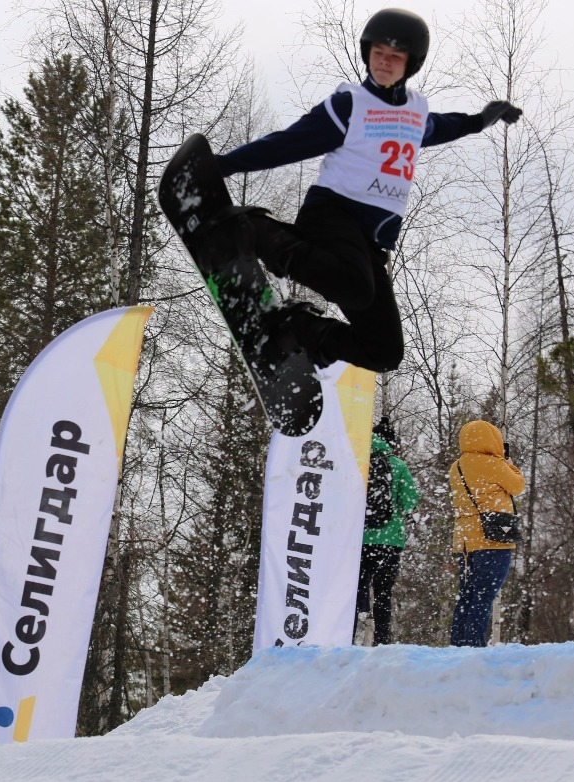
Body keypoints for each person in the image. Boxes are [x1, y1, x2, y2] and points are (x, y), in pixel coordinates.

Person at [213, 8, 522, 373]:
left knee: (384, 350)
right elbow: (287, 143)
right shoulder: (350, 105)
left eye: (395, 57)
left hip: (369, 241)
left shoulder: (415, 113)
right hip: (332, 214)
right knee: (356, 289)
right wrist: (224, 165)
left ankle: (299, 332)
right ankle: (256, 231)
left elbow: (441, 127)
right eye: (378, 53)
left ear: (411, 63)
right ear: (367, 53)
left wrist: (480, 120)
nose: (384, 63)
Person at [448, 419, 526, 647]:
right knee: (484, 596)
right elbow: (517, 486)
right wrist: (510, 464)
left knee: (466, 595)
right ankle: (473, 647)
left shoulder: (457, 466)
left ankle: (458, 645)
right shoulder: (494, 464)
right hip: (493, 538)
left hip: (464, 541)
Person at [357, 416, 420, 644]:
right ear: (390, 442)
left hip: (360, 539)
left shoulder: (358, 461)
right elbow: (411, 500)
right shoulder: (398, 465)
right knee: (383, 593)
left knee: (357, 587)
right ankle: (381, 641)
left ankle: (349, 634)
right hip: (390, 540)